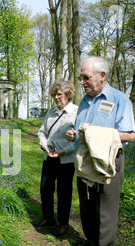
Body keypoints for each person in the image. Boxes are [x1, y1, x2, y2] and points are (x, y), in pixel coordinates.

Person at [66, 56, 135, 246]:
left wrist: (94, 135)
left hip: (108, 162)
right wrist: (74, 134)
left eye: (86, 77)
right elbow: (82, 131)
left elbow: (129, 135)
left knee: (105, 210)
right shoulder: (85, 101)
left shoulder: (120, 99)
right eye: (81, 78)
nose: (82, 82)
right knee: (87, 206)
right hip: (85, 160)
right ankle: (91, 243)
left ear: (102, 76)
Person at [36, 80, 78, 236]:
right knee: (45, 188)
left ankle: (63, 223)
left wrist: (63, 151)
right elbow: (42, 132)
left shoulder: (77, 112)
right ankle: (48, 218)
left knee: (64, 192)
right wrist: (44, 145)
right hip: (49, 157)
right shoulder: (51, 112)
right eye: (54, 95)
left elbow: (80, 141)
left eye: (59, 94)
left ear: (68, 94)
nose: (56, 98)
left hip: (66, 160)